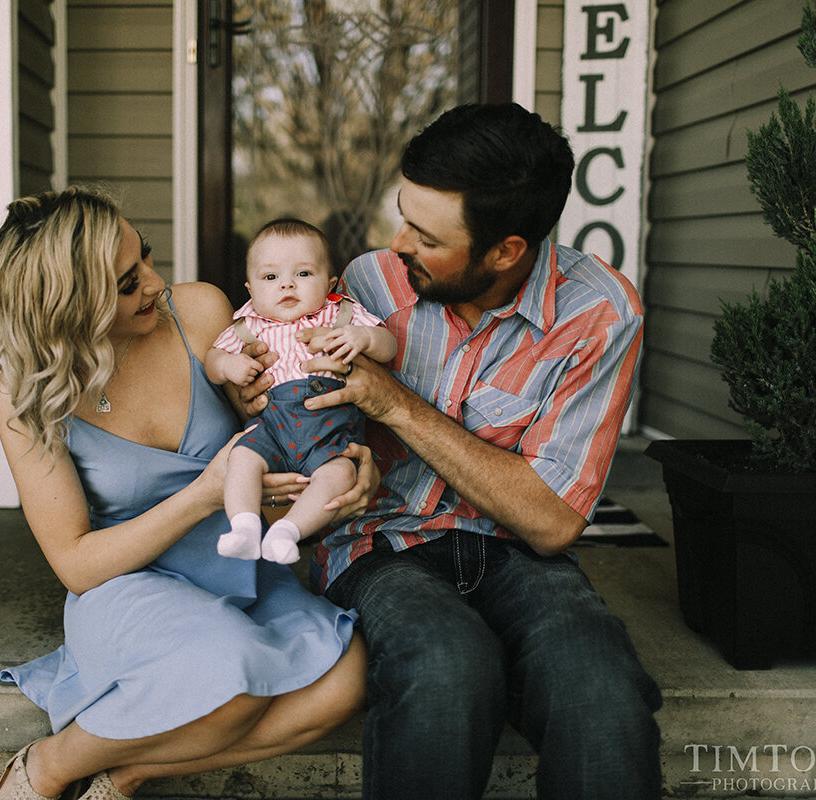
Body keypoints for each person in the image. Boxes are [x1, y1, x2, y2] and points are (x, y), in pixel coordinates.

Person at [262, 103, 664, 798]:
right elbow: (284, 399)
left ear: (506, 250)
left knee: (600, 687)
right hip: (378, 545)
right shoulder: (367, 283)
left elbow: (551, 520)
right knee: (449, 666)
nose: (397, 243)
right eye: (402, 215)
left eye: (425, 235)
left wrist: (393, 403)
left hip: (518, 554)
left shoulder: (597, 314)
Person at [0, 186, 370, 800]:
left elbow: (279, 438)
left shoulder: (202, 313)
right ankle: (50, 765)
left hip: (239, 558)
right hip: (127, 581)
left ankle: (126, 772)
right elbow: (77, 563)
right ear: (68, 306)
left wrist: (340, 467)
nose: (157, 284)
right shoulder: (25, 393)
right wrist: (203, 494)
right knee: (232, 682)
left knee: (344, 683)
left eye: (146, 259)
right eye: (127, 283)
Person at [206, 219, 396, 565]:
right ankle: (245, 527)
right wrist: (228, 366)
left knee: (341, 474)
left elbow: (388, 347)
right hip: (273, 429)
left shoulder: (340, 315)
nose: (287, 285)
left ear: (330, 283)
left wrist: (365, 338)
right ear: (250, 289)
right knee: (241, 458)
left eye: (304, 274)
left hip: (330, 432)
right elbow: (212, 360)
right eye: (270, 278)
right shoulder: (249, 327)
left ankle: (287, 532)